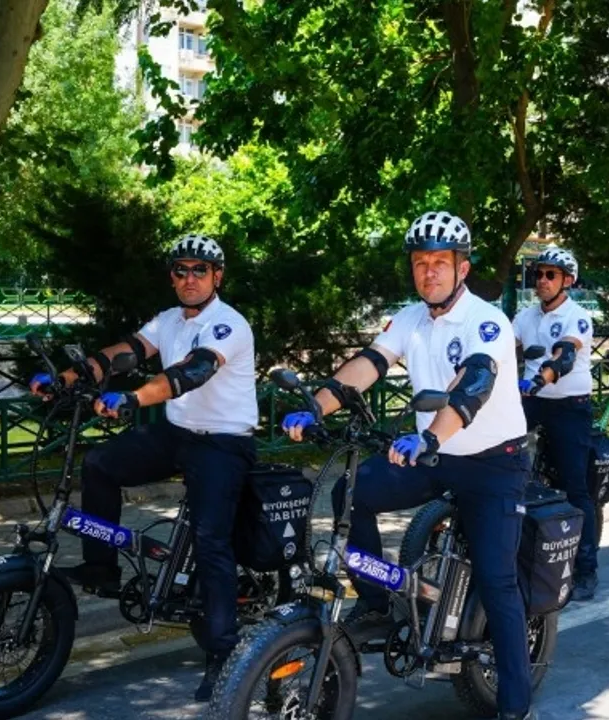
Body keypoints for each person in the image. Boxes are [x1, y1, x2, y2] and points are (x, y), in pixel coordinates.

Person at [282, 211, 535, 720]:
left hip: (492, 464)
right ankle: (375, 601)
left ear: (463, 268)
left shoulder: (487, 321)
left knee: (497, 580)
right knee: (351, 491)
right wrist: (316, 407)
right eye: (421, 262)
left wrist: (430, 437)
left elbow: (473, 385)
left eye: (440, 262)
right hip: (435, 457)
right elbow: (369, 364)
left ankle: (515, 701)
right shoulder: (410, 318)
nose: (429, 271)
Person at [29, 234, 258, 702]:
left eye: (200, 270)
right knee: (99, 465)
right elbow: (126, 351)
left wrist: (134, 398)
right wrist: (65, 379)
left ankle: (223, 653)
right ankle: (101, 568)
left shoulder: (227, 324)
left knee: (212, 542)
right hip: (178, 432)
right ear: (171, 277)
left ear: (217, 276)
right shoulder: (168, 320)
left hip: (223, 442)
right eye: (180, 270)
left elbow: (192, 372)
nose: (189, 278)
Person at [513, 245, 600, 600]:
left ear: (568, 281)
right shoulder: (525, 316)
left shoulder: (578, 317)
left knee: (576, 488)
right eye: (538, 274)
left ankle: (586, 568)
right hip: (532, 400)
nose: (542, 280)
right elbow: (504, 349)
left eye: (551, 275)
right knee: (498, 456)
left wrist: (542, 377)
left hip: (568, 405)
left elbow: (565, 354)